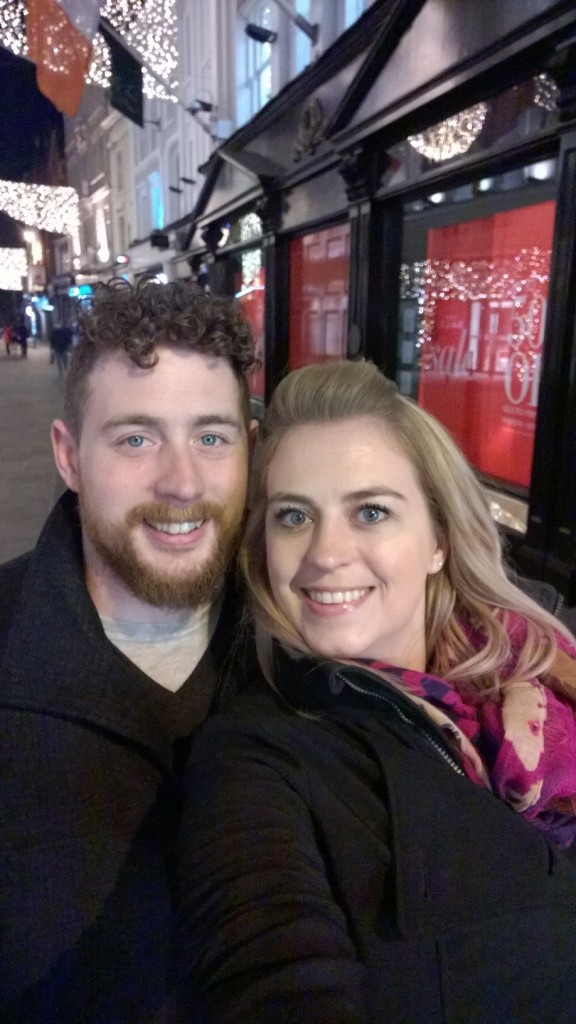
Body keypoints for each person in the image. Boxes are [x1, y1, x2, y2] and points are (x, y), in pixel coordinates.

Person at [179, 359, 576, 1024]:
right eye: (294, 516)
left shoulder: (545, 660)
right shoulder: (256, 759)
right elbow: (265, 956)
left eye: (370, 511)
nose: (326, 553)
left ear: (439, 541)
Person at [0, 279, 258, 1023]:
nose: (182, 482)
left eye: (212, 437)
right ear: (69, 456)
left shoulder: (300, 640)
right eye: (136, 438)